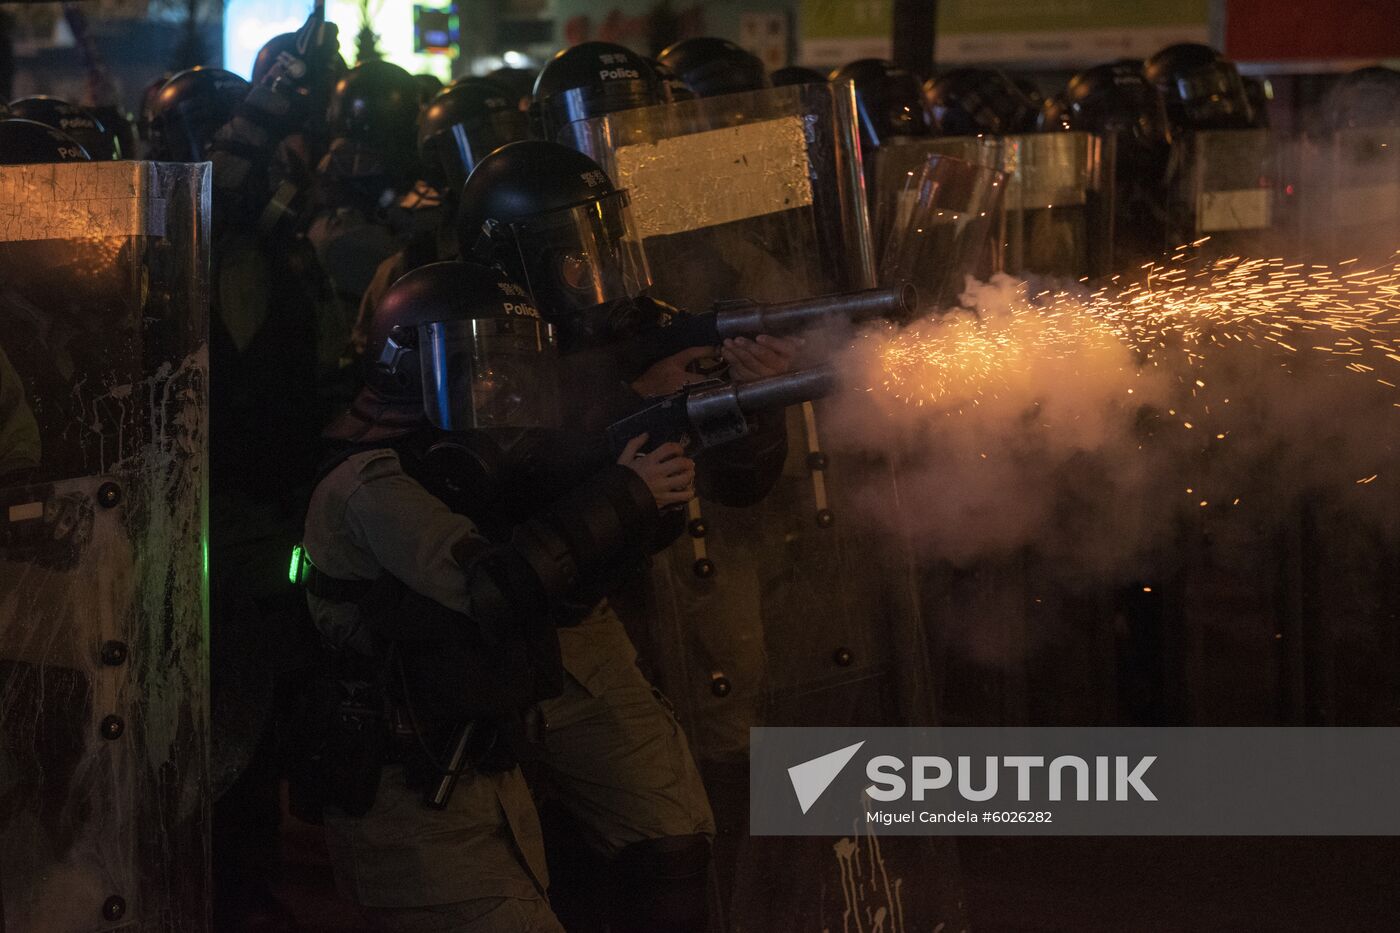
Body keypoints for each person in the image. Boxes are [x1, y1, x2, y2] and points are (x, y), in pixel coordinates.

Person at [299, 259, 710, 932]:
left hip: (482, 783)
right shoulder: (369, 482)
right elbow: (493, 588)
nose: (499, 387)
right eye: (479, 367)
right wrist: (625, 495)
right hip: (414, 812)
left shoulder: (445, 464)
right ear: (415, 365)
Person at [349, 77, 531, 360]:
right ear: (440, 163)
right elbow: (379, 360)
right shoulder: (415, 264)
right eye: (482, 147)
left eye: (510, 135)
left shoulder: (550, 227)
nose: (501, 158)